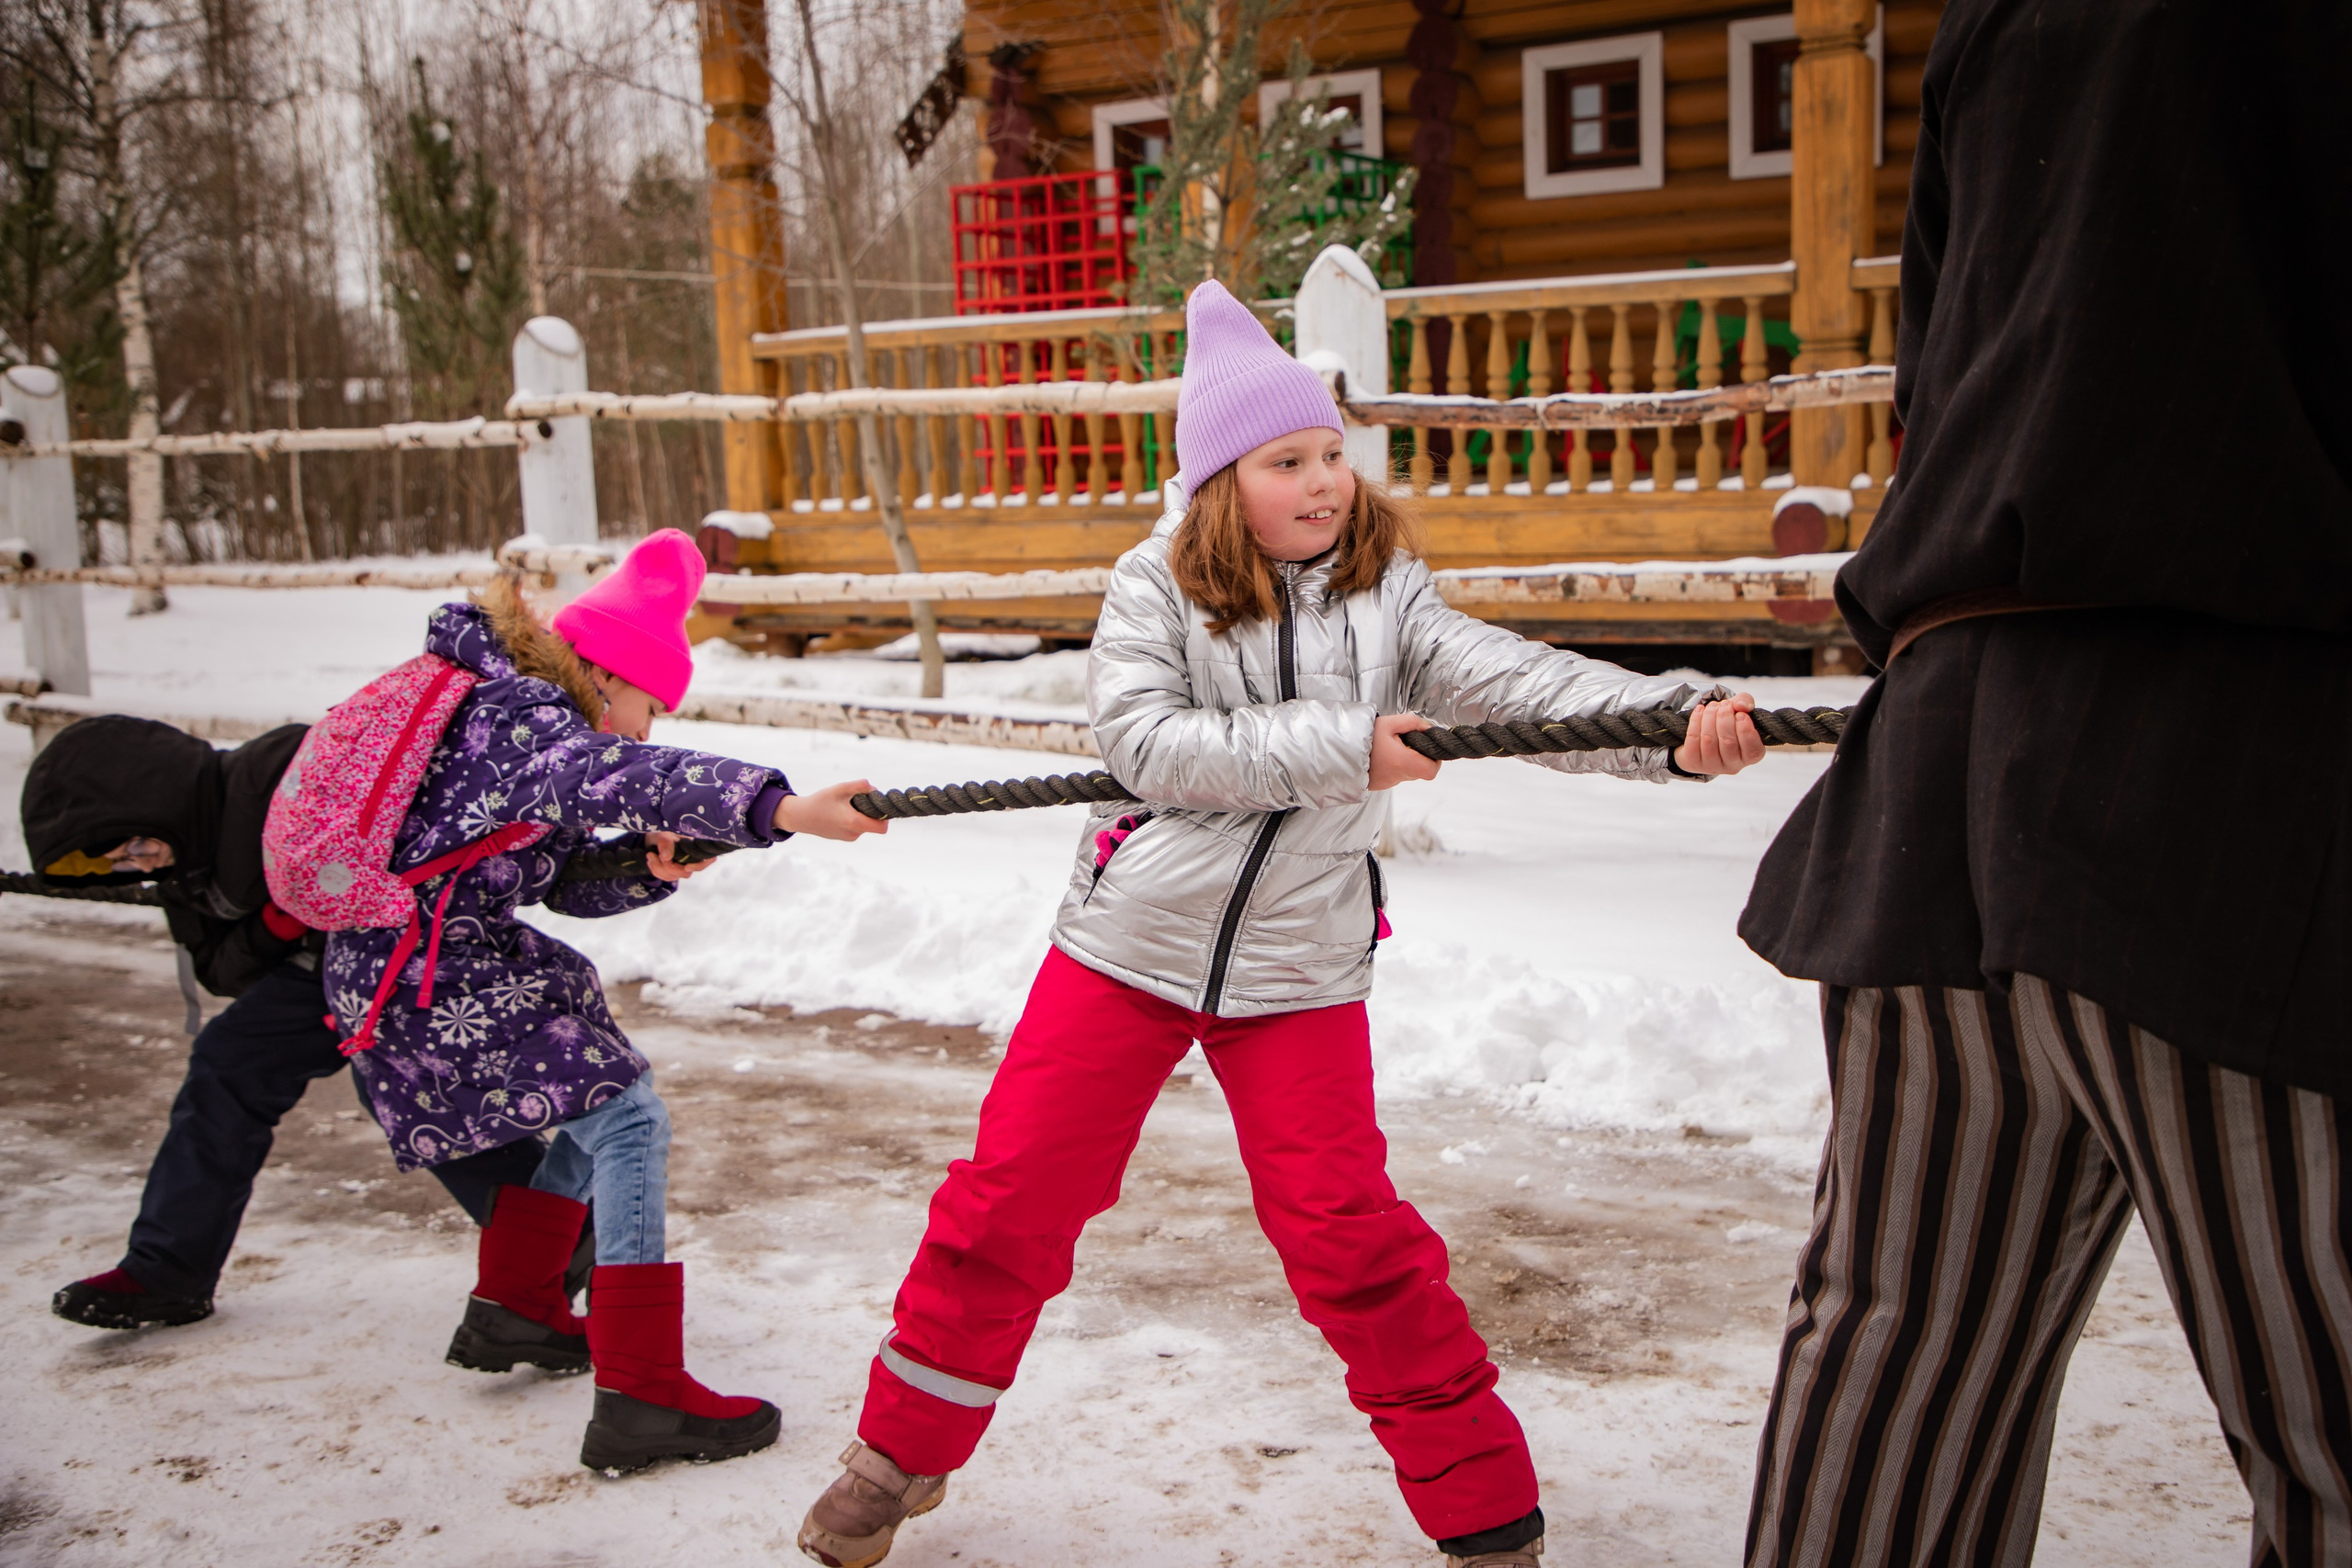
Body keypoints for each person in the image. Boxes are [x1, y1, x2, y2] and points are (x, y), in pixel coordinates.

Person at [792, 280, 1767, 1568]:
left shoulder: (1390, 597)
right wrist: (1344, 748)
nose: (1326, 481)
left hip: (1300, 967)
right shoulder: (1154, 590)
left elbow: (1515, 679)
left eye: (1333, 456)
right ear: (1217, 483)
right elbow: (1144, 740)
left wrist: (1674, 723)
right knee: (1011, 1200)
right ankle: (899, 1450)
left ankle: (1481, 1500)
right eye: (1288, 459)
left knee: (1346, 1227)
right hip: (1127, 949)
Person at [1735, 3, 2352, 1564]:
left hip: (1949, 755)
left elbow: (1941, 368)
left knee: (1896, 1385)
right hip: (2245, 772)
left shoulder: (2004, 17)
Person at [322, 531, 886, 1474]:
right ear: (600, 673)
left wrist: (644, 864)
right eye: (646, 704)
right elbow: (621, 776)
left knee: (605, 1105)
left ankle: (518, 1307)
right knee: (628, 1121)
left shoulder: (509, 715)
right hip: (425, 976)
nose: (643, 729)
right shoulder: (522, 714)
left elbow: (551, 878)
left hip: (430, 964)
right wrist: (781, 810)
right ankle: (639, 1390)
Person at [28, 716, 566, 1331]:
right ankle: (167, 1270)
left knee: (398, 1082)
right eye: (122, 859)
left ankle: (567, 1239)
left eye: (136, 844)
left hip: (404, 943)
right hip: (318, 968)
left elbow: (407, 808)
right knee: (228, 1062)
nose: (140, 860)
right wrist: (276, 924)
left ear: (156, 796)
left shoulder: (280, 769)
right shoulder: (182, 871)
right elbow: (220, 971)